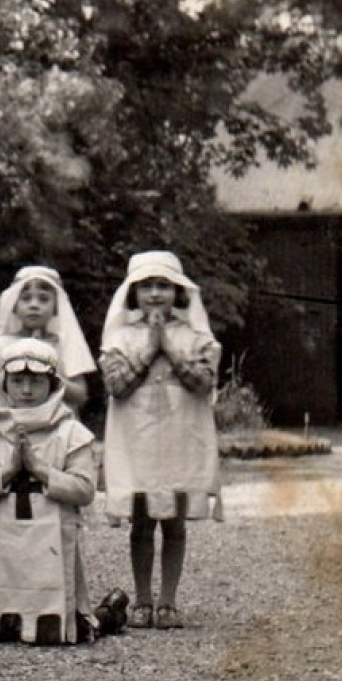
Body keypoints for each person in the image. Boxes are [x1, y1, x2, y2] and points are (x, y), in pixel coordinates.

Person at [98, 250, 222, 631]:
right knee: (141, 519)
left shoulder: (196, 336)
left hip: (180, 432)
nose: (155, 293)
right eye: (147, 286)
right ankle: (142, 598)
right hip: (137, 436)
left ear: (178, 292)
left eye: (164, 285)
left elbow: (204, 382)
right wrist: (150, 347)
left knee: (174, 519)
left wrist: (169, 346)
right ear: (133, 292)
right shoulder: (121, 334)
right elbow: (117, 386)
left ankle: (168, 599)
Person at [0, 338, 102, 645]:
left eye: (35, 381)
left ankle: (95, 616)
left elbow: (84, 489)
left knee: (58, 624)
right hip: (3, 541)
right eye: (18, 381)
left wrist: (40, 469)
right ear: (4, 384)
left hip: (50, 542)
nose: (26, 390)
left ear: (52, 385)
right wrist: (9, 471)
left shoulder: (70, 433)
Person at [0, 266, 96, 409]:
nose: (34, 305)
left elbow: (80, 396)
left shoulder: (63, 344)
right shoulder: (1, 345)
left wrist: (48, 374)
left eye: (43, 299)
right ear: (14, 306)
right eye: (26, 299)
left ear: (56, 307)